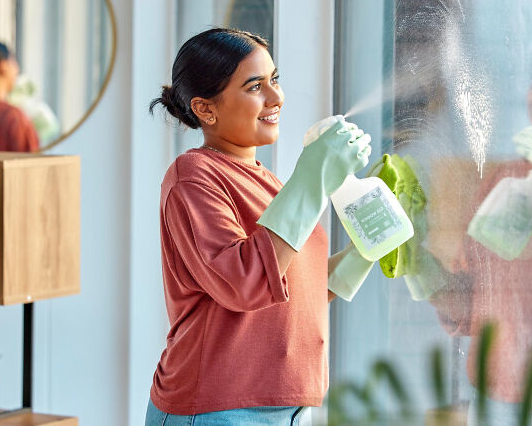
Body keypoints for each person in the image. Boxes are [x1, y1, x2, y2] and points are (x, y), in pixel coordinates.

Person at [146, 28, 375, 425]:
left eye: (275, 79)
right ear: (205, 109)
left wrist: (365, 251)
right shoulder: (193, 176)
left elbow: (291, 290)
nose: (276, 97)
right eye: (255, 86)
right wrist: (313, 176)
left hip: (283, 408)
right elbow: (244, 282)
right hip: (217, 408)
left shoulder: (267, 181)